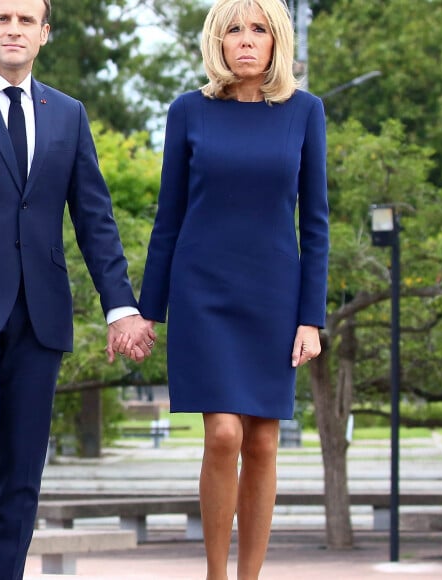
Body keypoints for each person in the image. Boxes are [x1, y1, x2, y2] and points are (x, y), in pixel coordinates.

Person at [0, 0, 154, 577]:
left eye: (26, 20)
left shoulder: (68, 114)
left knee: (21, 476)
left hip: (41, 317)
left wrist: (121, 307)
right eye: (3, 19)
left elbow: (95, 218)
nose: (14, 29)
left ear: (44, 34)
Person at [138, 0, 329, 578]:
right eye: (233, 31)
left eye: (259, 29)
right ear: (216, 43)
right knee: (223, 433)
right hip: (203, 294)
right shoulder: (188, 112)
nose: (245, 40)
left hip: (274, 294)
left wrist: (310, 317)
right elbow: (167, 217)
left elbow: (315, 222)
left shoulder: (305, 111)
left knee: (264, 444)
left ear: (277, 42)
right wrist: (148, 309)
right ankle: (216, 574)